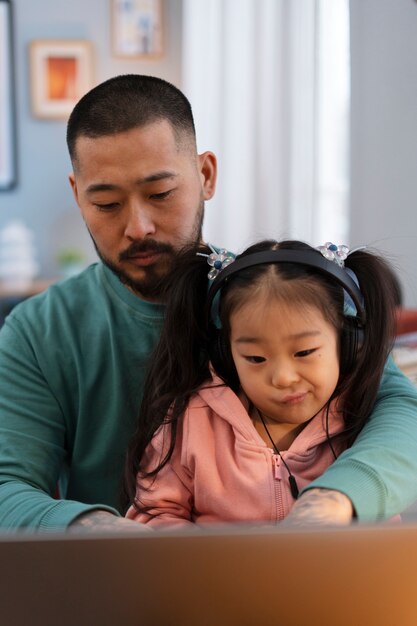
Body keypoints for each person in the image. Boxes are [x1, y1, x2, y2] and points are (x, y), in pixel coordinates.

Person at [0, 75, 416, 533]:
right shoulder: (39, 332)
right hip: (122, 581)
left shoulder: (273, 296)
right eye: (106, 203)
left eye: (160, 194)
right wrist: (97, 529)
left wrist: (335, 498)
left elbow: (401, 410)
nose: (138, 226)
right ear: (78, 195)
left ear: (206, 176)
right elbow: (7, 485)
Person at [123, 240, 399, 526]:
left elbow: (382, 529)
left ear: (347, 343)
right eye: (255, 358)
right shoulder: (190, 422)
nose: (282, 377)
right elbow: (155, 515)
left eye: (304, 352)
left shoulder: (365, 421)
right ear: (225, 355)